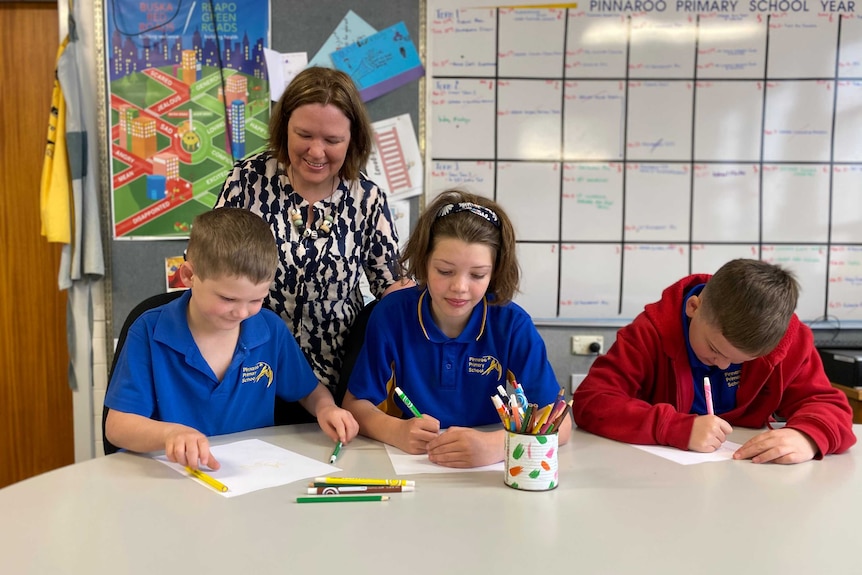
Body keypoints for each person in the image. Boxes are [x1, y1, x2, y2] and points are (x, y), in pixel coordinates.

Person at [215, 67, 411, 418]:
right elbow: (210, 267)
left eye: (332, 140)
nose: (316, 151)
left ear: (353, 139)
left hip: (336, 381)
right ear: (284, 127)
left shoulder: (366, 198)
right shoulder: (247, 182)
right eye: (303, 134)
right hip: (251, 370)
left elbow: (391, 289)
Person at [104, 208, 359, 470]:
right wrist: (170, 435)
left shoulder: (269, 329)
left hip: (250, 475)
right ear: (189, 276)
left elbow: (310, 392)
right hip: (171, 478)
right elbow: (117, 427)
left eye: (256, 300)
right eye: (227, 299)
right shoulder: (148, 331)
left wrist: (326, 408)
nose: (241, 312)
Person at [343, 190, 572, 468]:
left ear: (495, 272)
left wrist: (496, 445)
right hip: (409, 466)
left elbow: (560, 423)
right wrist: (396, 431)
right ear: (424, 261)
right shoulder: (391, 315)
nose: (460, 287)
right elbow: (355, 405)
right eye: (445, 271)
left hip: (487, 472)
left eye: (477, 275)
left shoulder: (512, 326)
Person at [572, 258, 856, 464]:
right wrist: (673, 428)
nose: (722, 365)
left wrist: (808, 436)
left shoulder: (789, 342)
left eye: (740, 361)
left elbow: (828, 406)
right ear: (693, 307)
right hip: (661, 483)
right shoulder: (652, 331)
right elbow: (593, 400)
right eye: (714, 349)